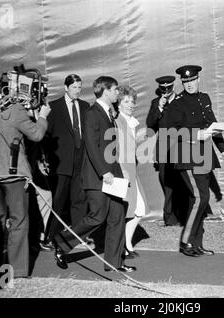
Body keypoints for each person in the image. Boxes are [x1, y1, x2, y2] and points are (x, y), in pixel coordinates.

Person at [52, 76, 136, 273]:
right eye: (115, 89)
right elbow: (91, 145)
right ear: (105, 91)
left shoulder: (108, 113)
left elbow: (109, 148)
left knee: (117, 215)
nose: (118, 93)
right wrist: (105, 172)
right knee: (97, 216)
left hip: (112, 175)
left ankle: (114, 263)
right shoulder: (92, 113)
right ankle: (61, 242)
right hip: (97, 177)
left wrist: (119, 170)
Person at [0, 75, 51, 285]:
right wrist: (43, 116)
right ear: (6, 90)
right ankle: (17, 270)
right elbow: (37, 134)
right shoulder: (15, 110)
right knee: (19, 222)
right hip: (14, 177)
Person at [166, 65, 224, 257]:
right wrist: (196, 134)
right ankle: (185, 242)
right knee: (199, 198)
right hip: (186, 155)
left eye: (192, 81)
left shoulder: (204, 98)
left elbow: (212, 123)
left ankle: (197, 244)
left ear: (198, 79)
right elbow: (171, 131)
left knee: (202, 200)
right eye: (185, 82)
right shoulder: (177, 103)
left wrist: (222, 148)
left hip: (204, 154)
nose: (189, 85)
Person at [44, 74, 90, 249]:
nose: (77, 91)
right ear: (66, 88)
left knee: (79, 199)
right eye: (74, 88)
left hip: (80, 159)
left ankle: (77, 236)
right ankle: (50, 237)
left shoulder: (85, 106)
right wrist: (48, 158)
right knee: (59, 200)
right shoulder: (54, 107)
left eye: (79, 87)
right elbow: (46, 136)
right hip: (61, 161)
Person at [115, 85, 149, 258]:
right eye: (126, 101)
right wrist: (121, 171)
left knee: (139, 209)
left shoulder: (131, 122)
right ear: (119, 103)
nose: (130, 104)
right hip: (122, 171)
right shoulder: (117, 121)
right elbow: (115, 149)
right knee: (124, 211)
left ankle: (126, 244)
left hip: (131, 169)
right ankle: (122, 247)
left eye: (132, 101)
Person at [146, 76, 180, 226]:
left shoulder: (182, 100)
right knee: (167, 183)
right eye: (163, 89)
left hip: (181, 147)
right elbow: (150, 124)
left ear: (173, 87)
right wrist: (159, 107)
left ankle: (184, 215)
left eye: (168, 88)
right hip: (164, 149)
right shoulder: (156, 102)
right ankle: (169, 217)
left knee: (183, 182)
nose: (166, 91)